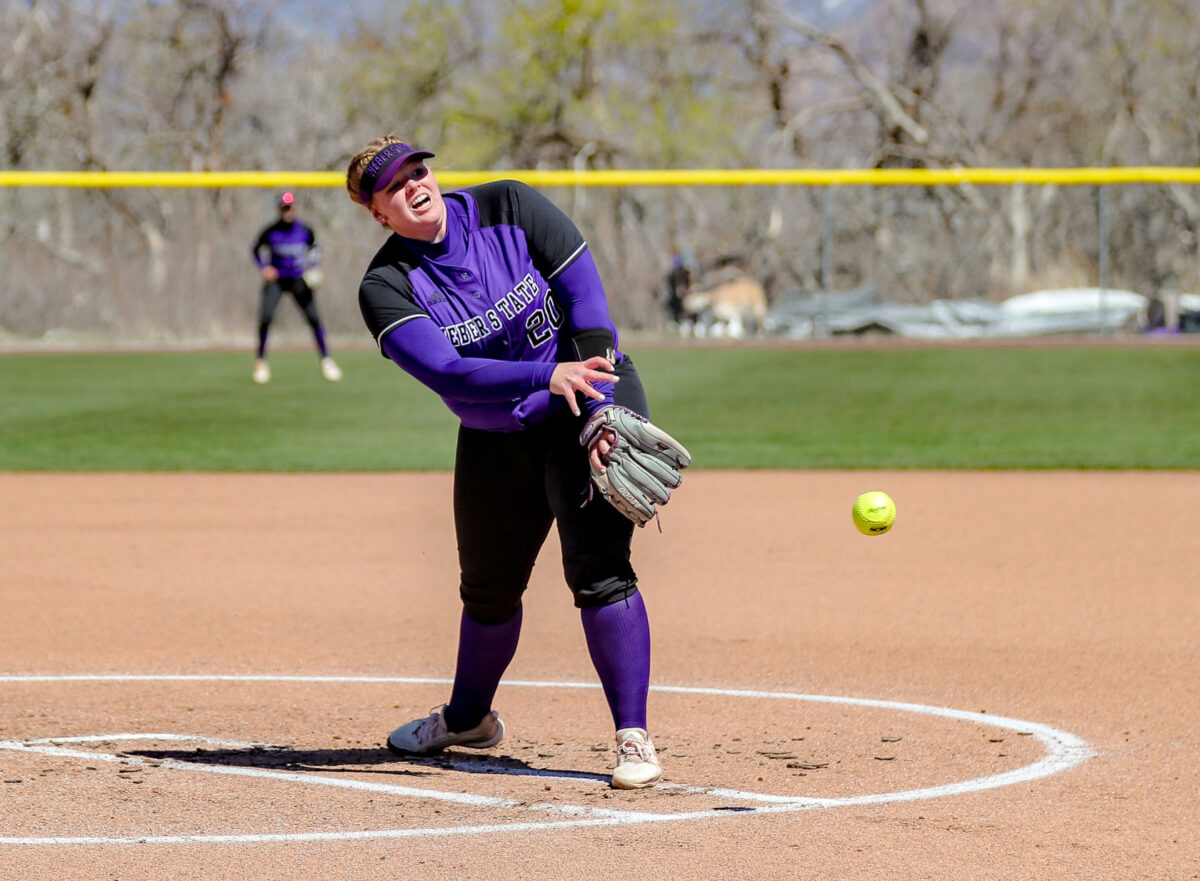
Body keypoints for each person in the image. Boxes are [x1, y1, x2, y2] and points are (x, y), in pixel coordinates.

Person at [346, 135, 676, 789]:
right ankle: (468, 718)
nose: (417, 185)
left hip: (588, 398)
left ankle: (633, 737)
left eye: (420, 170)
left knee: (600, 570)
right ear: (378, 212)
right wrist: (541, 374)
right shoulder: (385, 286)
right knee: (488, 592)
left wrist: (598, 413)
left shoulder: (510, 207)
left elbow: (589, 307)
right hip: (497, 432)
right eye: (396, 185)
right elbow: (448, 369)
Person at [250, 191, 342, 384]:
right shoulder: (271, 231)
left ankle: (327, 360)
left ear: (295, 208)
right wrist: (264, 267)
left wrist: (313, 266)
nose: (288, 211)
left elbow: (315, 248)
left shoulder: (304, 230)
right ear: (279, 210)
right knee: (266, 318)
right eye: (284, 208)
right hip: (277, 280)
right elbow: (255, 249)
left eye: (290, 207)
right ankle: (261, 361)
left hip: (299, 280)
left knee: (314, 319)